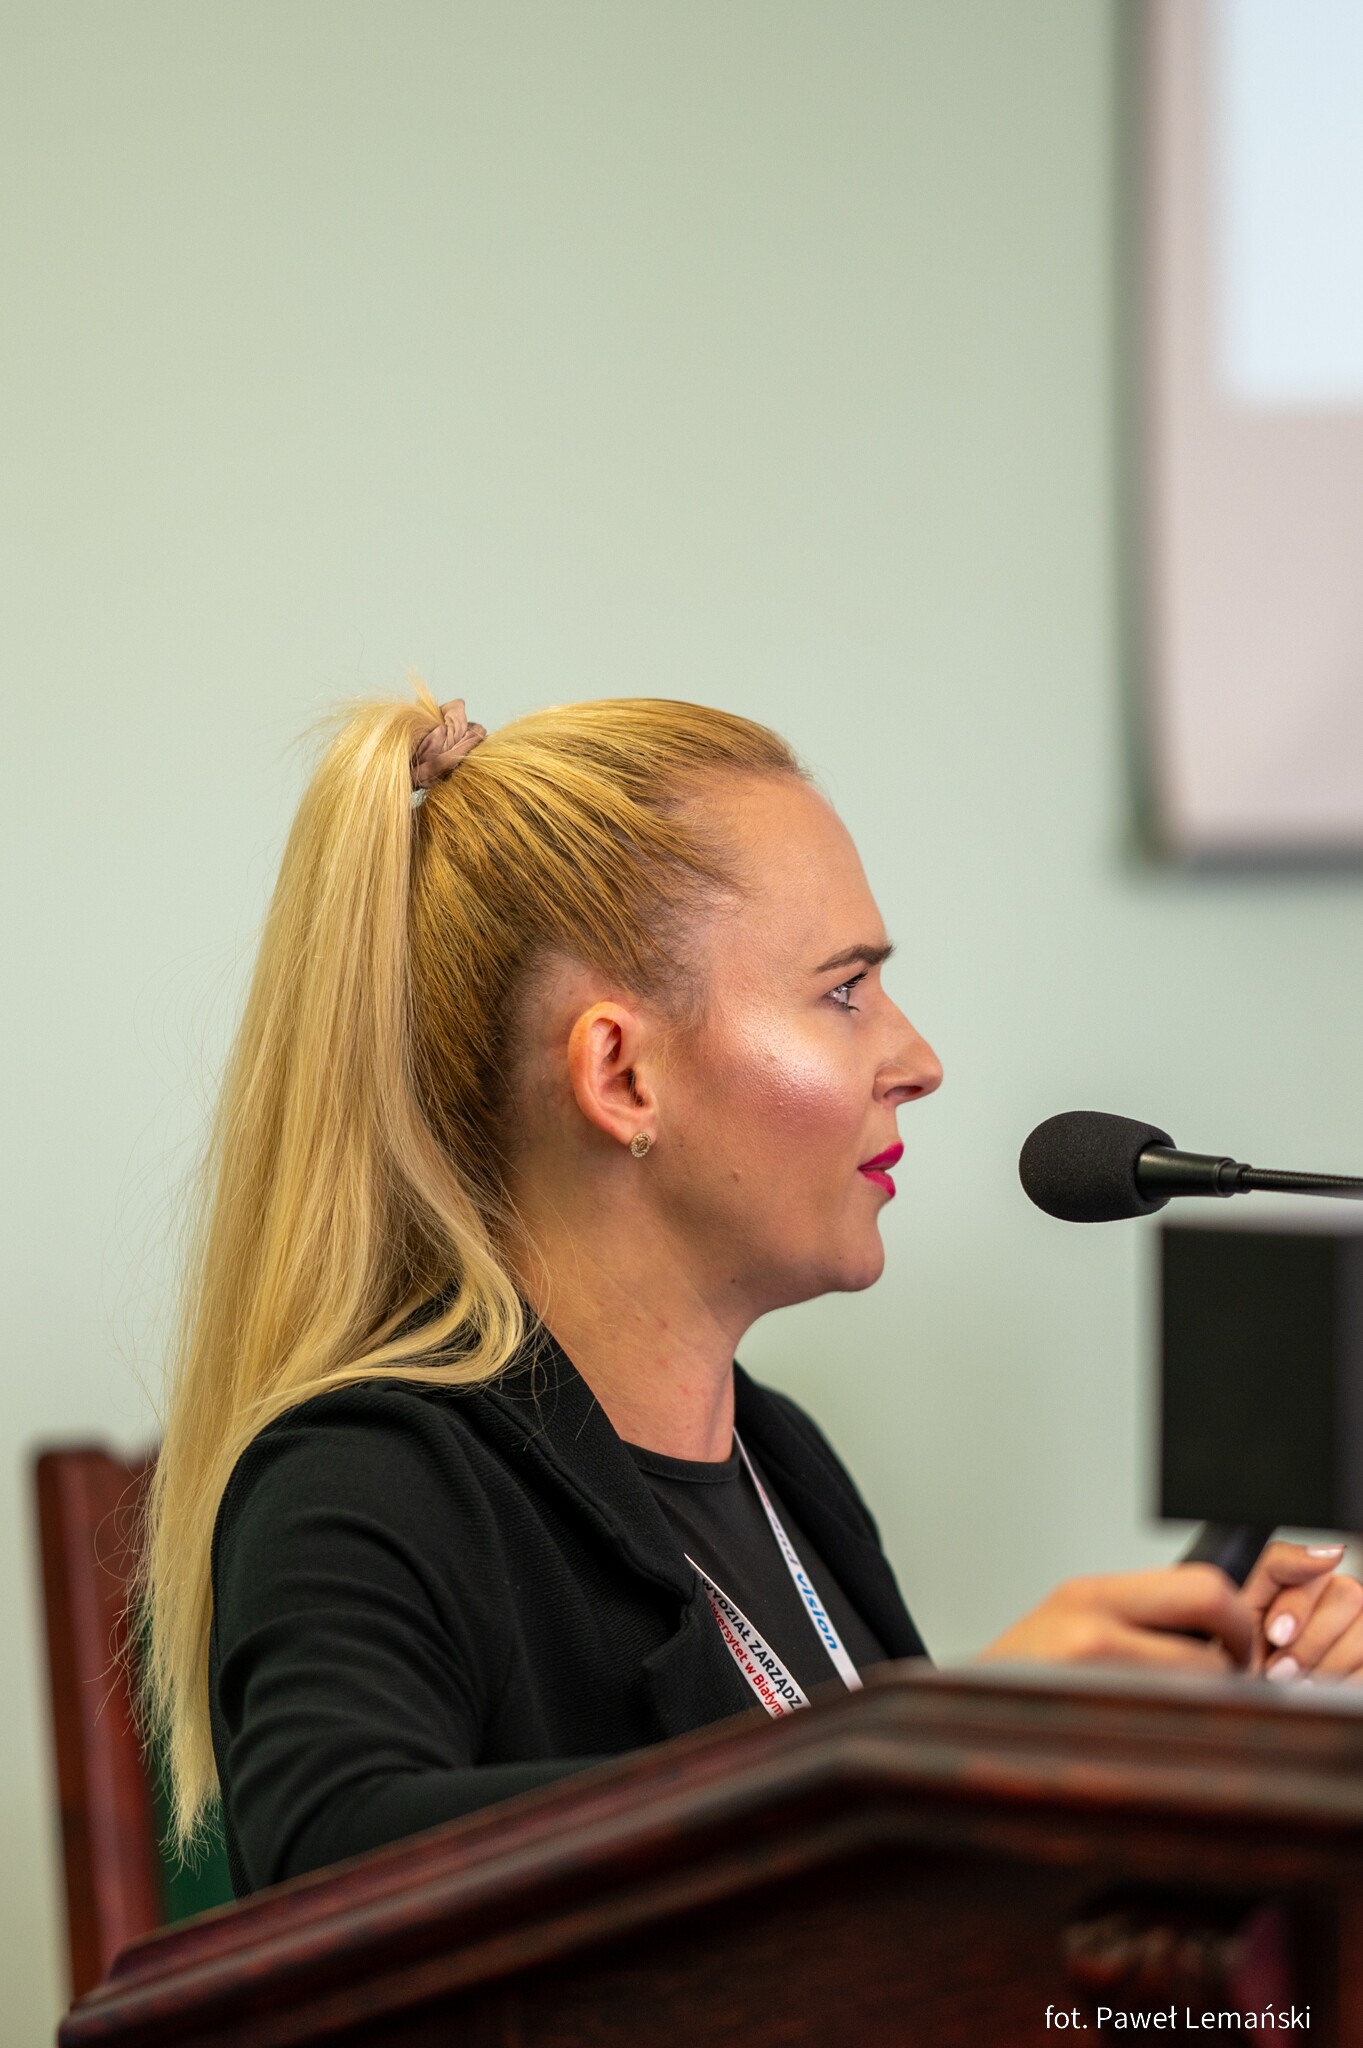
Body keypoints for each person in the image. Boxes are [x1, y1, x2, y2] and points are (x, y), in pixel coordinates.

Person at [143, 689, 1363, 1899]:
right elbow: (336, 1860)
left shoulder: (784, 1459)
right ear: (622, 1075)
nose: (918, 1060)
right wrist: (945, 1739)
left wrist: (1172, 1729)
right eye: (844, 991)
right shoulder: (362, 1478)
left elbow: (876, 1916)